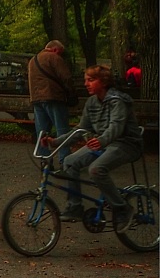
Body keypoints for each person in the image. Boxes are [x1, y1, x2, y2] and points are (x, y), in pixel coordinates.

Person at [46, 65, 144, 229]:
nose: (86, 84)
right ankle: (75, 207)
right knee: (69, 161)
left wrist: (101, 141)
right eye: (85, 80)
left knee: (96, 169)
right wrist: (55, 141)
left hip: (126, 143)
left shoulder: (117, 101)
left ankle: (123, 208)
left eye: (91, 80)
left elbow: (116, 127)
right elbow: (80, 130)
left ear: (104, 82)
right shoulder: (92, 102)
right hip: (104, 143)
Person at [27, 40, 75, 165]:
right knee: (62, 130)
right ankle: (65, 160)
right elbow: (66, 77)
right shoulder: (54, 58)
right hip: (54, 97)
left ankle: (45, 161)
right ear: (55, 49)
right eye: (60, 52)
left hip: (36, 99)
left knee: (42, 132)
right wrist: (71, 92)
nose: (60, 55)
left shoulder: (33, 60)